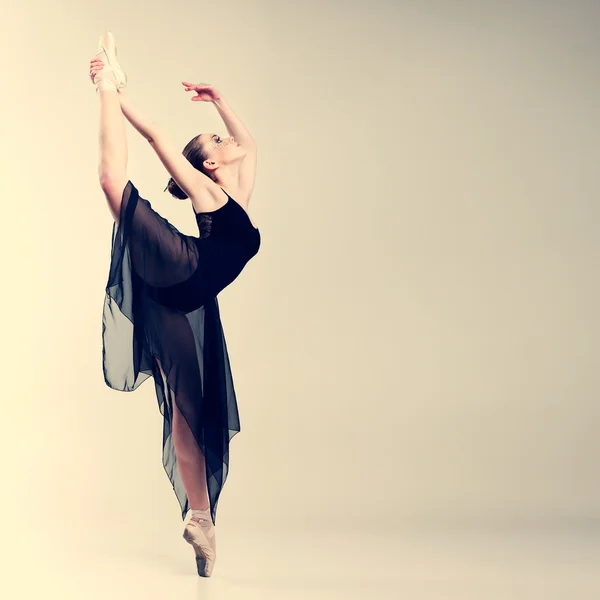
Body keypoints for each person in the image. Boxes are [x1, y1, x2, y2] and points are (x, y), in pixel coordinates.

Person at [90, 31, 261, 577]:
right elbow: (163, 138)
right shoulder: (211, 195)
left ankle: (201, 521)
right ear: (209, 167)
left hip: (184, 301)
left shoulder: (234, 196)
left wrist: (220, 101)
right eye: (217, 138)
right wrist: (117, 92)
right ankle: (103, 84)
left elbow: (250, 145)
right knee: (113, 184)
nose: (227, 139)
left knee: (188, 412)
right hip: (180, 267)